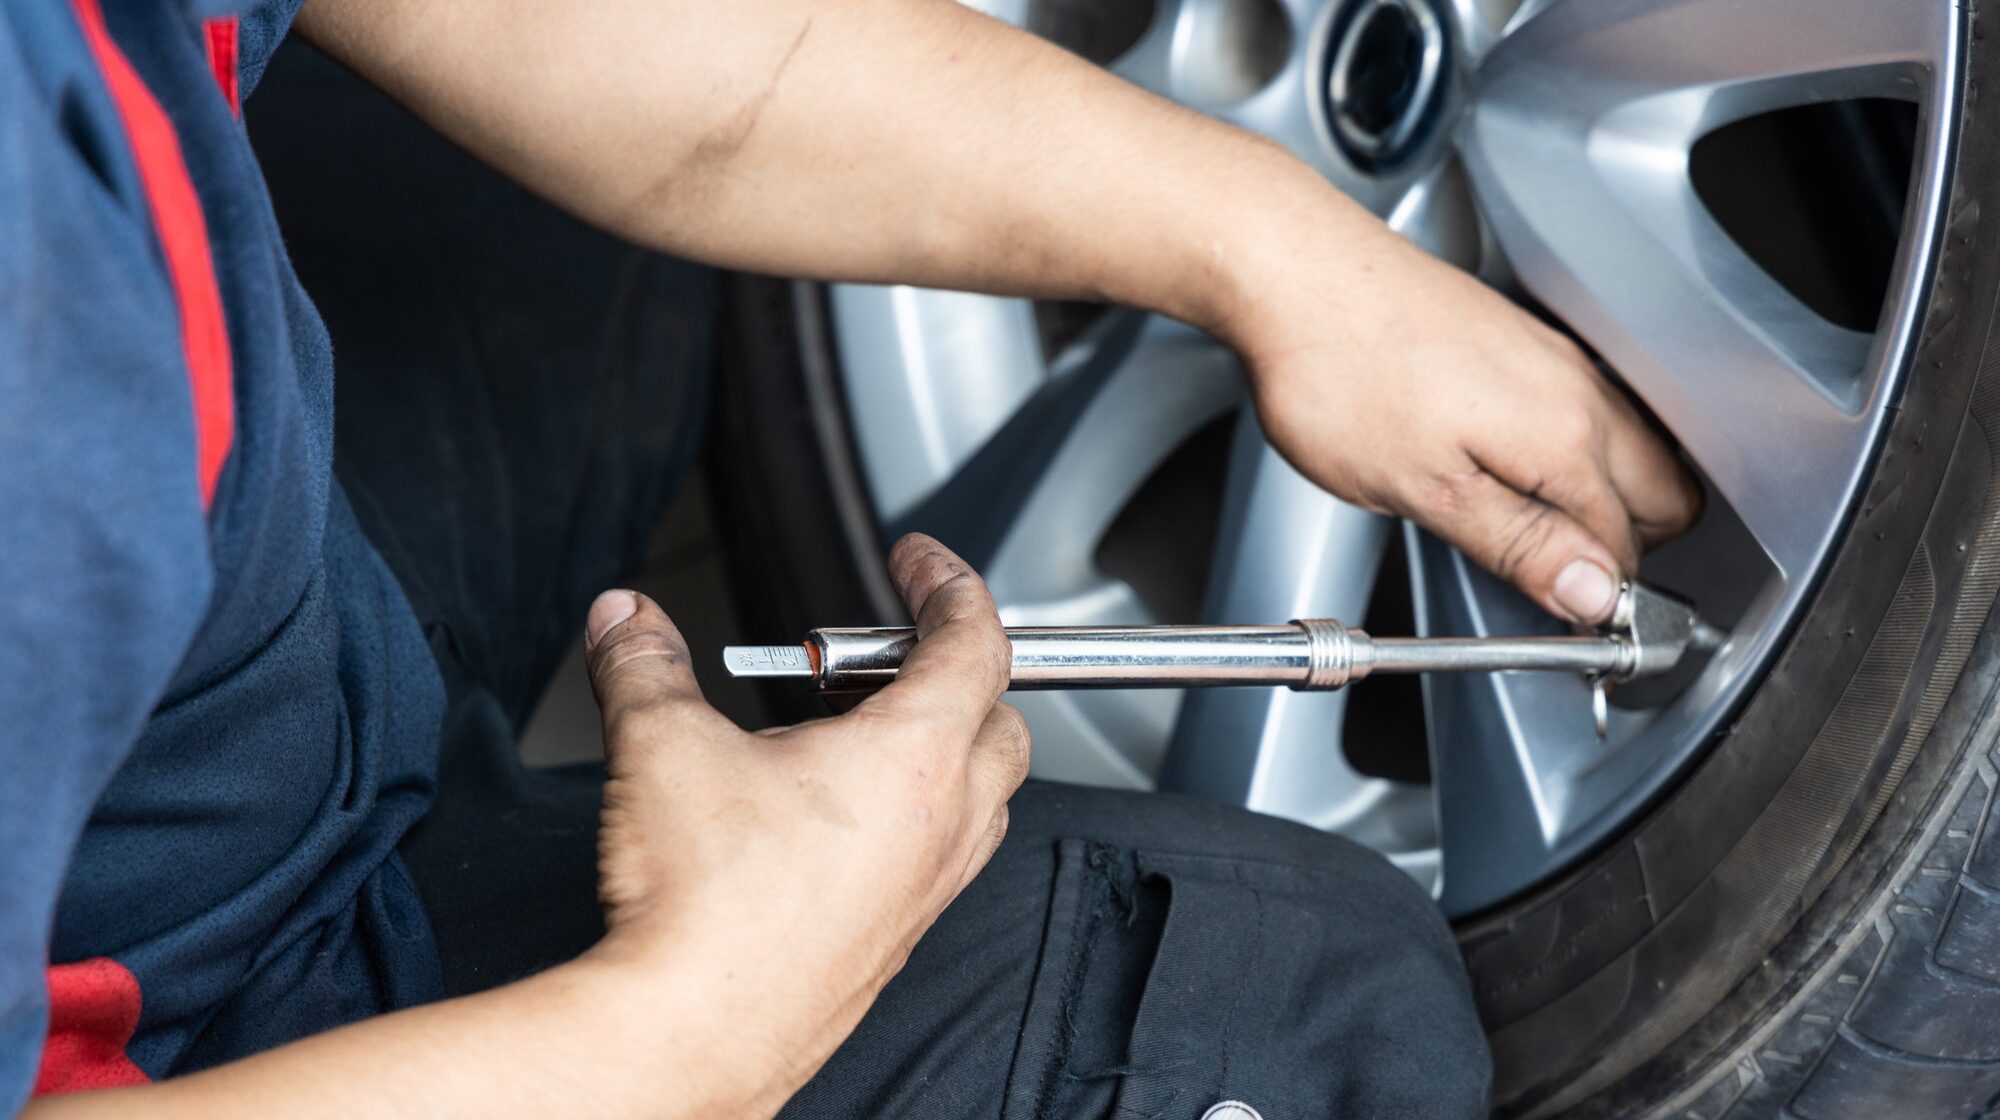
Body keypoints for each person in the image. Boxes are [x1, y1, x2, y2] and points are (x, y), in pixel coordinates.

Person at [0, 0, 1701, 1116]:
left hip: (215, 660)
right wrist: (699, 1024)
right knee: (1302, 1017)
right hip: (205, 1043)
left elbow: (706, 80)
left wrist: (1278, 252)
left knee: (551, 212)